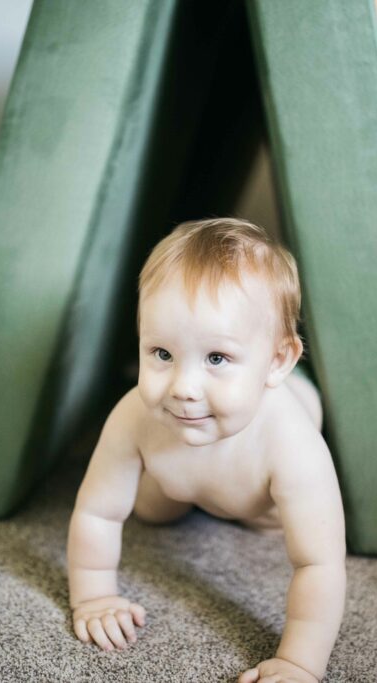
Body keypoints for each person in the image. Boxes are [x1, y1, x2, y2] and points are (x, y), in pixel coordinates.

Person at [66, 218, 346, 683]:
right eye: (162, 353)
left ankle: (233, 488)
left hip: (258, 496)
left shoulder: (294, 446)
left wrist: (300, 664)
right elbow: (97, 512)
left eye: (217, 358)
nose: (184, 387)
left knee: (277, 528)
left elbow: (319, 565)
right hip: (177, 471)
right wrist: (93, 597)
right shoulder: (135, 414)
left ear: (277, 361)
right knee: (151, 509)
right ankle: (183, 489)